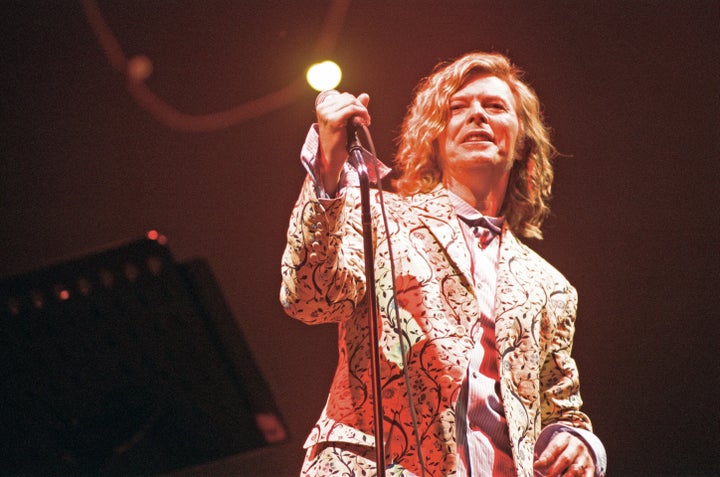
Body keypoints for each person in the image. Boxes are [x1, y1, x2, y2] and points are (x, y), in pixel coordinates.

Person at [280, 51, 607, 477]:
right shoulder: (379, 217)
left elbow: (562, 411)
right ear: (435, 135)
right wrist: (327, 168)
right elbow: (308, 298)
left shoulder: (551, 286)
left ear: (522, 139)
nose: (476, 116)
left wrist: (581, 443)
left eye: (494, 106)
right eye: (458, 107)